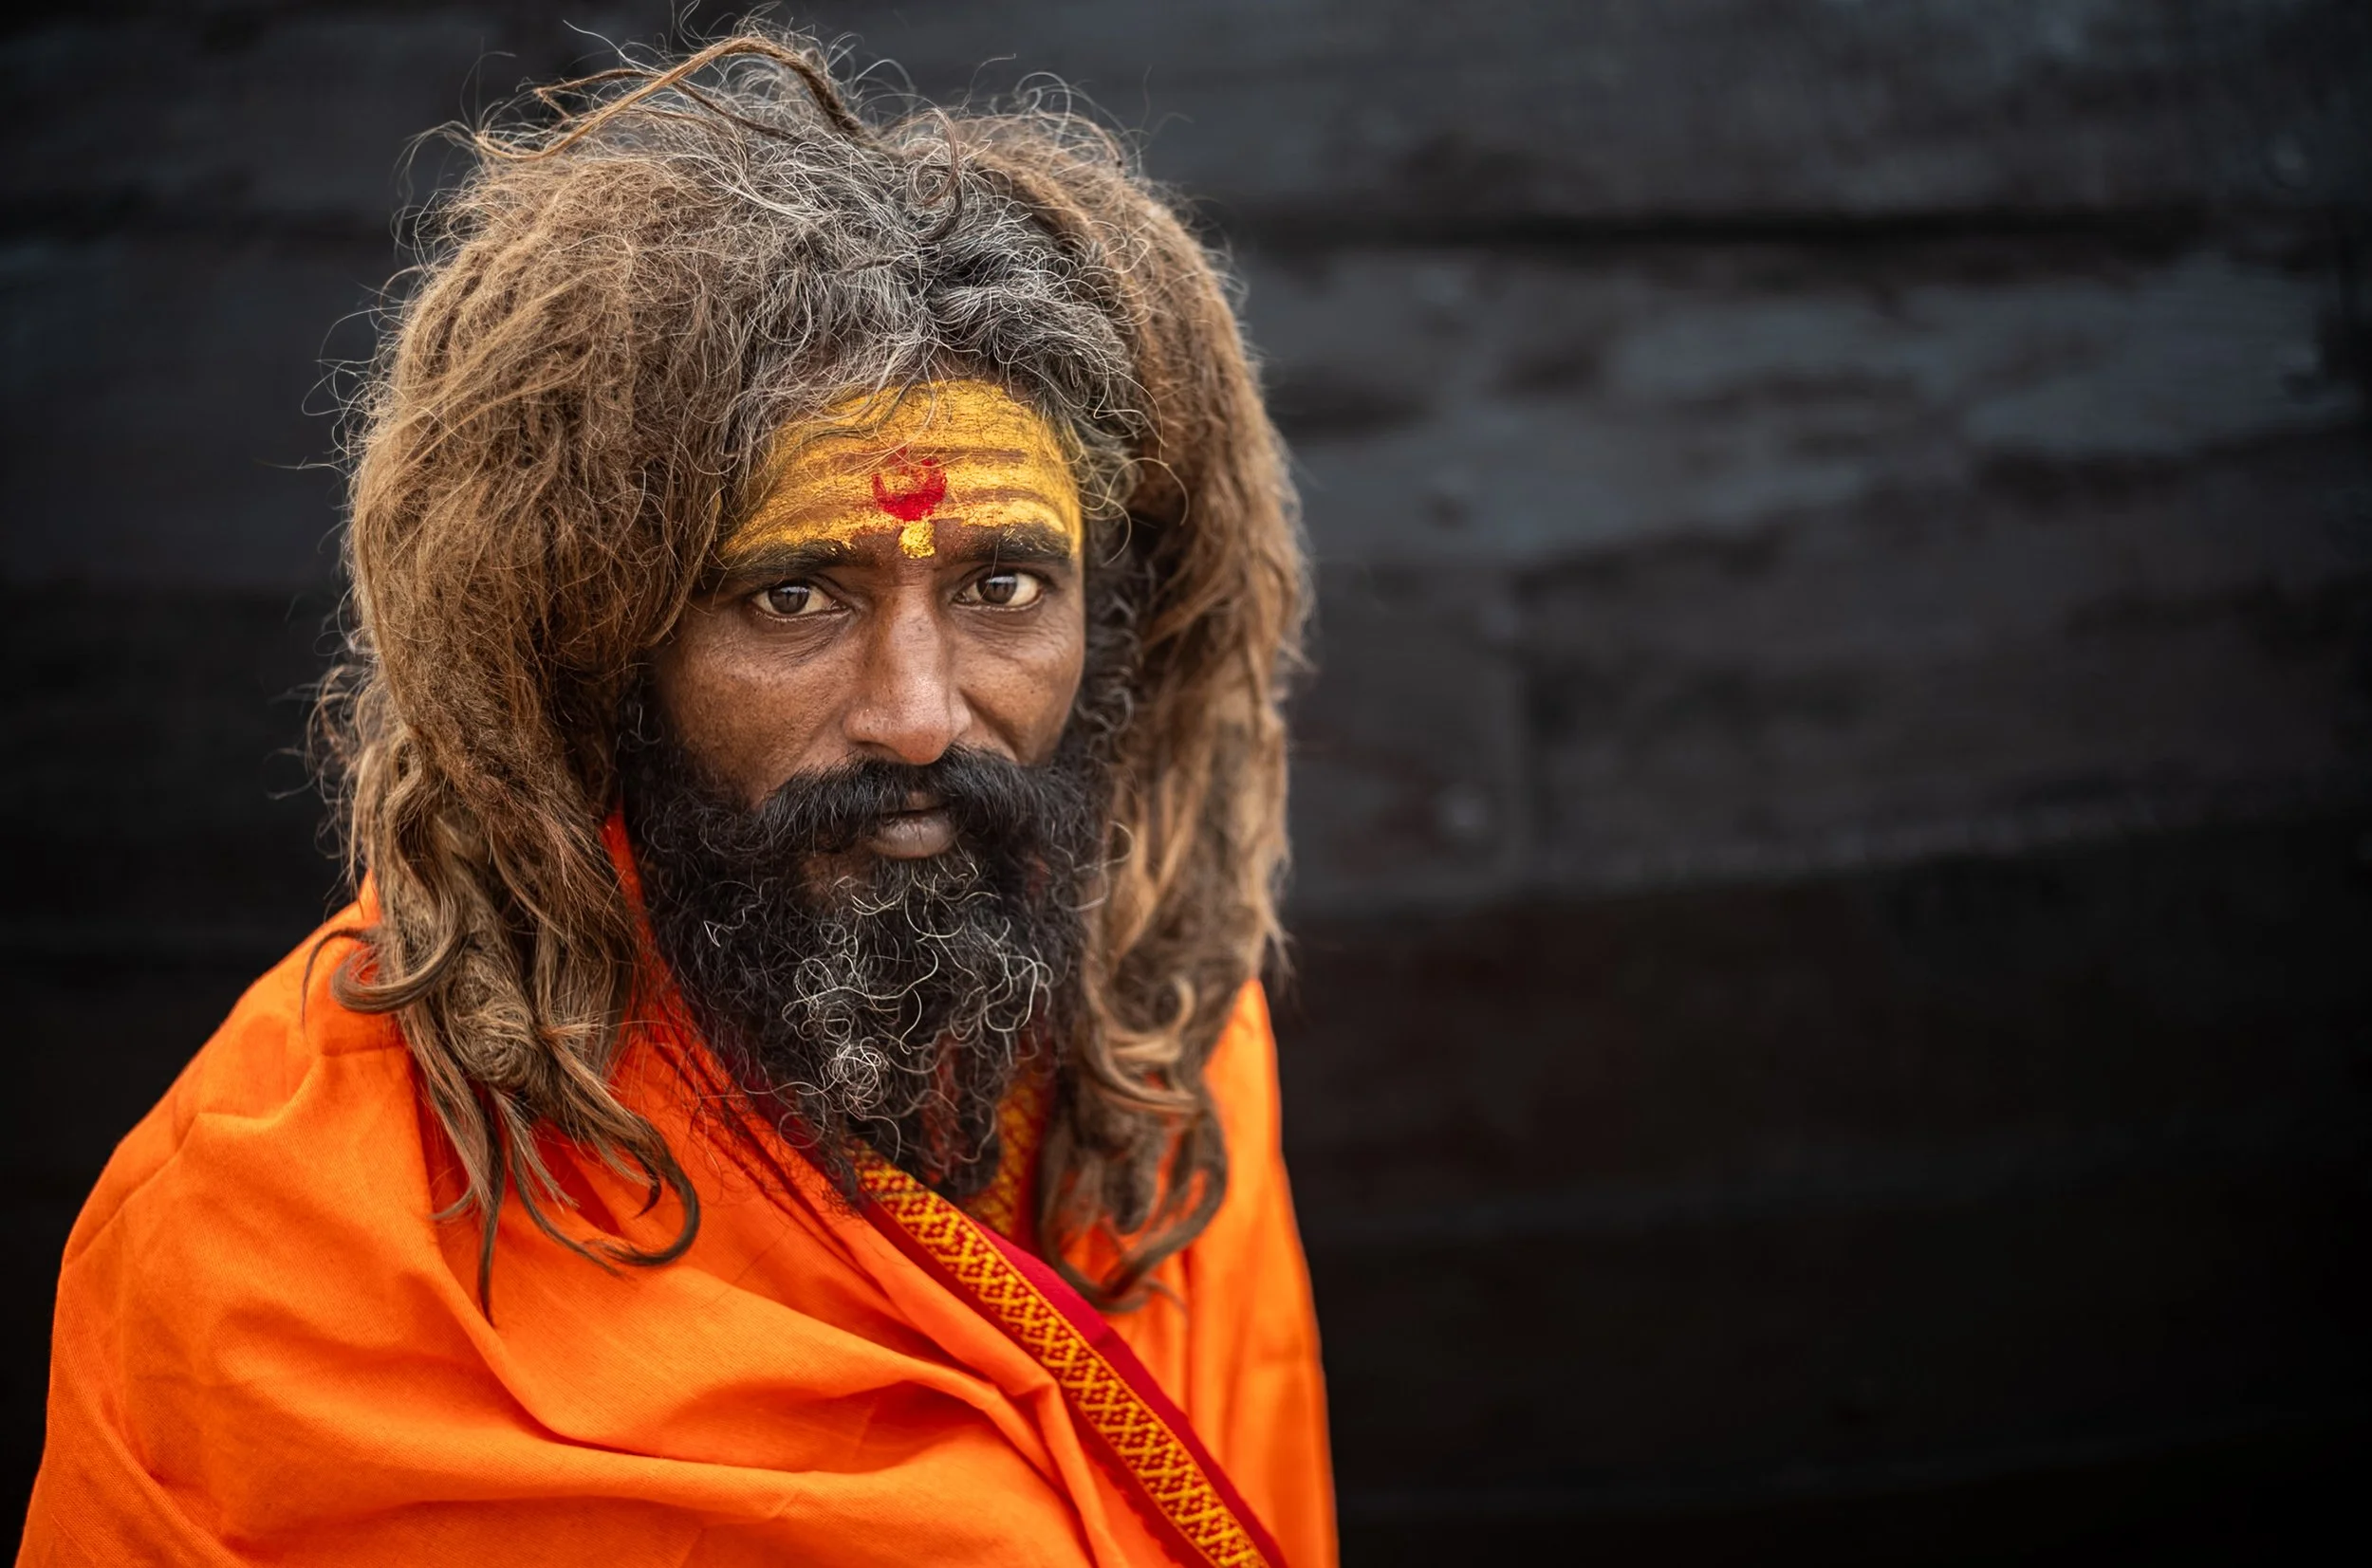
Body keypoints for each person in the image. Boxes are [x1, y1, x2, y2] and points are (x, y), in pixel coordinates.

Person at [21, 30, 1329, 1567]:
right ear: (602, 646)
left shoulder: (1165, 1051)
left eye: (1004, 586)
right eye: (793, 597)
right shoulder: (273, 1224)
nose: (919, 716)